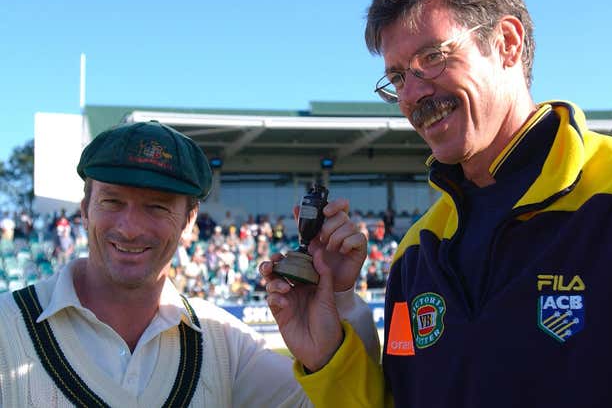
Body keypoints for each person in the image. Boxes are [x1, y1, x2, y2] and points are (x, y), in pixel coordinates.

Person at [263, 0, 612, 407]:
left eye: (433, 57)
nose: (414, 93)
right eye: (398, 78)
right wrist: (328, 356)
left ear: (507, 43)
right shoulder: (416, 254)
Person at [0, 120, 378, 407]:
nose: (130, 228)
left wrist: (339, 297)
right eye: (112, 202)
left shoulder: (223, 341)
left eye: (157, 206)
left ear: (190, 220)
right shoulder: (7, 329)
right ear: (85, 209)